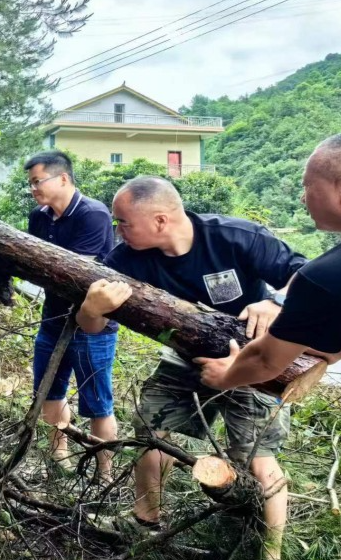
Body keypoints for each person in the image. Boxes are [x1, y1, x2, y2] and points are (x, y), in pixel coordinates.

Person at [76, 176, 306, 560]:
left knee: (257, 457)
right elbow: (91, 324)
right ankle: (146, 518)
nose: (117, 231)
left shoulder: (235, 236)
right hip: (184, 360)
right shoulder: (126, 259)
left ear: (161, 220)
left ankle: (270, 552)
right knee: (151, 426)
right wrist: (90, 310)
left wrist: (278, 304)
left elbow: (308, 278)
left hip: (254, 363)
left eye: (124, 222)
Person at [196, 130, 341, 392]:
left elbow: (265, 360)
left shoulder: (330, 275)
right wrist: (336, 351)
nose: (303, 198)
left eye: (307, 186)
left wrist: (224, 377)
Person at [24, 150, 118, 481]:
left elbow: (77, 274)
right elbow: (32, 264)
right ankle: (58, 457)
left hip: (93, 323)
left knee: (97, 401)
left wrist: (40, 270)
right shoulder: (39, 217)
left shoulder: (93, 214)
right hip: (53, 316)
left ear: (63, 178)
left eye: (37, 181)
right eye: (30, 184)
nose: (33, 189)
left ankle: (104, 474)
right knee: (49, 389)